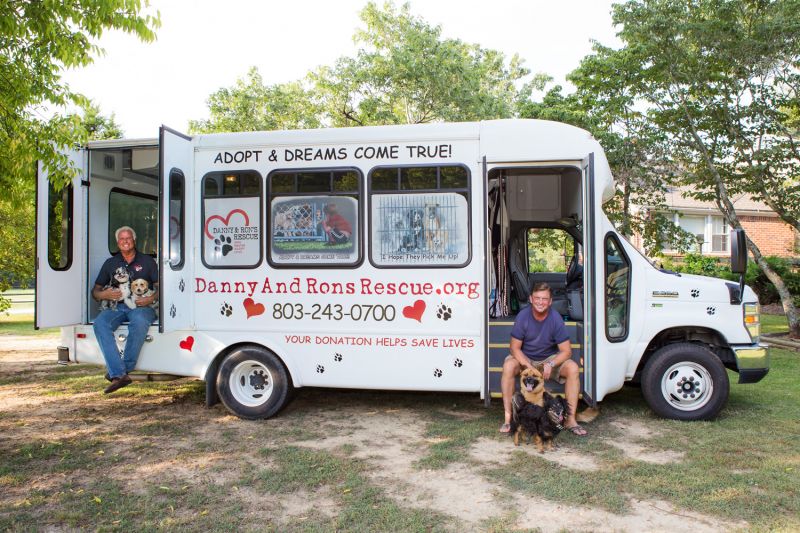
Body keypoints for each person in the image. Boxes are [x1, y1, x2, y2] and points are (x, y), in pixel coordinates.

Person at [498, 282, 587, 436]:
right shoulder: (523, 316)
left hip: (548, 358)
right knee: (508, 366)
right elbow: (514, 348)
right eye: (537, 298)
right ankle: (509, 417)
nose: (540, 302)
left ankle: (570, 419)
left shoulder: (555, 318)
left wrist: (551, 363)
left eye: (544, 299)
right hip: (526, 358)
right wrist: (528, 366)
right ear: (531, 299)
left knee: (572, 368)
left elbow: (567, 351)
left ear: (550, 301)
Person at [92, 226, 158, 394]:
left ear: (134, 241)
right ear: (117, 242)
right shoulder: (110, 263)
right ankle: (120, 374)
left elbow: (161, 288)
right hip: (117, 307)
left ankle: (119, 373)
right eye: (122, 239)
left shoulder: (148, 262)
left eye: (128, 238)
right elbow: (95, 292)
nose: (125, 241)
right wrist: (104, 294)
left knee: (140, 320)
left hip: (144, 306)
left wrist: (150, 298)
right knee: (100, 323)